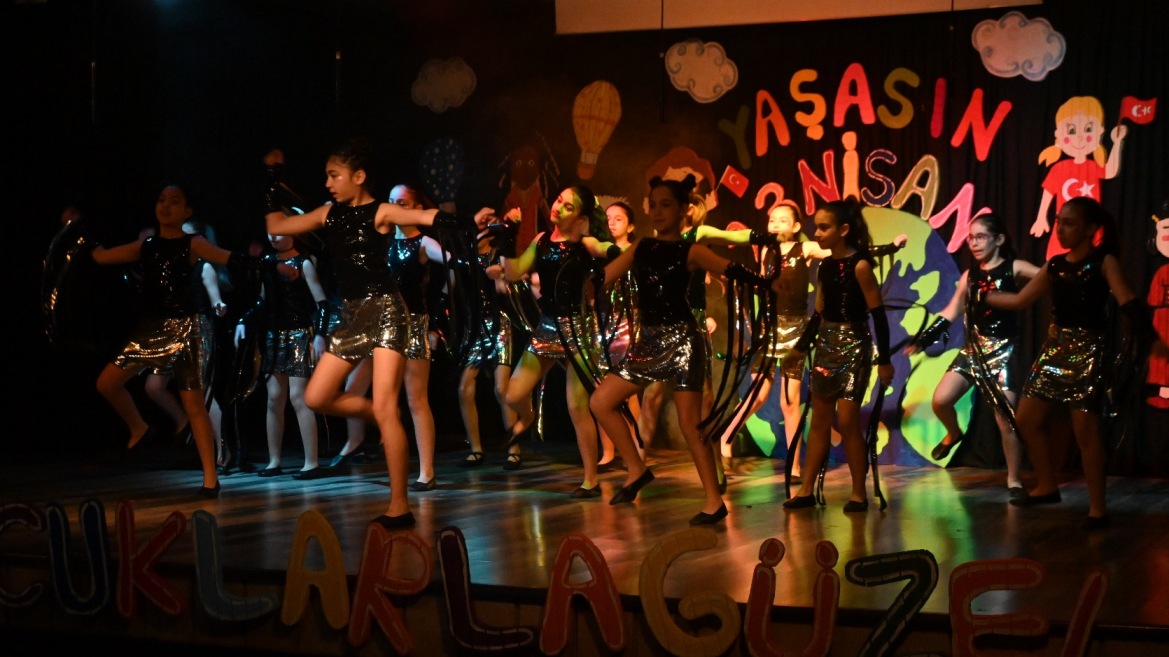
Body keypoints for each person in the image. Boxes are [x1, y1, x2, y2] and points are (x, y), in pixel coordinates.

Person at [263, 141, 485, 528]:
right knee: (316, 396)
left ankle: (399, 506)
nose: (328, 183)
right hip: (351, 317)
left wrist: (464, 221)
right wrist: (271, 181)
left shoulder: (380, 211)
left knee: (385, 408)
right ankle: (379, 414)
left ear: (358, 177)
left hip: (386, 312)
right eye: (327, 176)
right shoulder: (328, 213)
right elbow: (277, 226)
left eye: (335, 176)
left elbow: (424, 215)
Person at [589, 175, 780, 524]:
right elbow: (605, 277)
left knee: (691, 426)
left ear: (682, 210)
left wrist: (764, 281)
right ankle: (636, 469)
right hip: (647, 343)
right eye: (654, 205)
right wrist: (583, 282)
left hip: (683, 343)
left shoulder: (691, 250)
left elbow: (732, 270)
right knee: (601, 402)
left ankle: (713, 502)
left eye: (666, 205)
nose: (658, 212)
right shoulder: (641, 247)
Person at [91, 184, 295, 497]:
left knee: (194, 404)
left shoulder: (194, 243)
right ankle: (139, 427)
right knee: (107, 383)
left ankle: (211, 477)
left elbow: (232, 259)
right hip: (151, 327)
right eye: (161, 200)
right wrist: (81, 236)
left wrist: (273, 264)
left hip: (188, 327)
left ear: (187, 211)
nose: (166, 206)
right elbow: (102, 257)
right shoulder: (147, 245)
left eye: (175, 202)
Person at [985, 197, 1153, 529]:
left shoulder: (1104, 261)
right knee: (1026, 419)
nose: (1060, 228)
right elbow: (1021, 300)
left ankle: (1097, 507)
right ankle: (1047, 485)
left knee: (1085, 432)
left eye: (1069, 223)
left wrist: (1152, 339)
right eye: (1059, 221)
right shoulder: (1054, 265)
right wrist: (985, 296)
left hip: (1089, 353)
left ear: (1091, 229)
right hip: (1054, 350)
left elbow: (1128, 301)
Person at [490, 185, 616, 495]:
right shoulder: (541, 240)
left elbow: (602, 247)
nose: (558, 207)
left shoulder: (583, 243)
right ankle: (528, 417)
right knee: (511, 394)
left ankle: (590, 480)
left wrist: (617, 251)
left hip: (578, 330)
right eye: (559, 200)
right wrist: (508, 237)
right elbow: (514, 272)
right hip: (547, 327)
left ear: (580, 218)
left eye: (568, 206)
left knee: (577, 407)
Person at [904, 213, 1039, 498]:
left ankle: (1014, 479)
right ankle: (954, 433)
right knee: (941, 400)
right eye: (970, 238)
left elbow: (1046, 277)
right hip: (973, 350)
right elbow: (952, 310)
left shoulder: (1014, 268)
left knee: (1006, 420)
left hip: (1003, 352)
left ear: (999, 239)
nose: (973, 243)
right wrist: (924, 338)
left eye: (980, 237)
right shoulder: (970, 276)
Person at [782, 197, 895, 512]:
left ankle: (858, 493)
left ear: (843, 230)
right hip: (826, 345)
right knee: (819, 421)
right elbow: (819, 313)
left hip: (855, 346)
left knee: (847, 421)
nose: (817, 234)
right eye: (816, 228)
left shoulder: (860, 265)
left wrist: (884, 360)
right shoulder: (825, 266)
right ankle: (806, 489)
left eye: (824, 228)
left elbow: (878, 315)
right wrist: (799, 348)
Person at [234, 232, 329, 479]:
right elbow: (262, 300)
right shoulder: (268, 262)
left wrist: (320, 334)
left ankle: (311, 462)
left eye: (279, 231)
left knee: (298, 397)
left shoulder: (303, 263)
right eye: (270, 232)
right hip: (274, 336)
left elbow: (321, 302)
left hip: (299, 333)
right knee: (274, 398)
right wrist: (244, 320)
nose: (273, 236)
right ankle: (274, 460)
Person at [386, 183, 447, 491]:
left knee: (415, 398)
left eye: (402, 202)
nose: (395, 207)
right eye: (391, 202)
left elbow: (452, 261)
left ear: (416, 208)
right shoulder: (382, 242)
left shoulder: (423, 242)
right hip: (384, 326)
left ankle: (426, 472)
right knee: (384, 399)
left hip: (413, 324)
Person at [456, 202, 523, 468]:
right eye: (482, 219)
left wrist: (502, 275)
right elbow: (451, 288)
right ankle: (476, 449)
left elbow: (510, 287)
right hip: (475, 328)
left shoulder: (499, 254)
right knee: (464, 387)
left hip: (499, 325)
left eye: (491, 219)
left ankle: (514, 447)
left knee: (500, 388)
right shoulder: (465, 256)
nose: (486, 223)